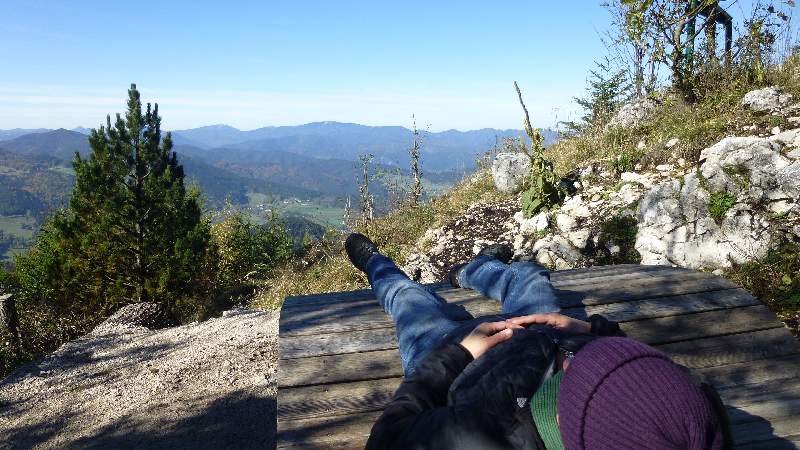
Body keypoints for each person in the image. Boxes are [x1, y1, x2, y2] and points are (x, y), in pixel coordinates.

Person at [343, 232, 732, 450]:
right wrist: (592, 333)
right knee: (530, 275)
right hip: (533, 334)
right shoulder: (696, 424)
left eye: (573, 369)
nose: (571, 360)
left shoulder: (477, 435)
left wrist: (456, 353)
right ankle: (473, 269)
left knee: (407, 299)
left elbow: (388, 439)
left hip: (453, 359)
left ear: (565, 420)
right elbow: (643, 382)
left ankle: (377, 262)